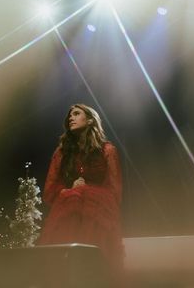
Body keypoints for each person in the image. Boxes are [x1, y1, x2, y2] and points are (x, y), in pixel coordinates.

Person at [38, 104, 124, 272]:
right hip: (69, 216)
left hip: (97, 219)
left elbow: (115, 192)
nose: (71, 118)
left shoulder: (107, 150)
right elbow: (49, 191)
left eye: (76, 114)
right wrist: (70, 189)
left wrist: (89, 190)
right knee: (65, 268)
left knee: (94, 267)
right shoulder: (62, 153)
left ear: (90, 119)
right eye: (69, 115)